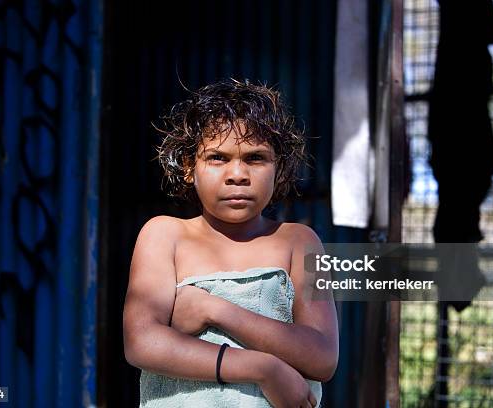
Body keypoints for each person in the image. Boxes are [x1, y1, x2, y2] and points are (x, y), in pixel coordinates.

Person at [123, 78, 339, 408]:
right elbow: (141, 342)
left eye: (255, 158)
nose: (237, 174)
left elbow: (323, 356)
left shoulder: (300, 242)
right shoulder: (165, 235)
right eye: (217, 158)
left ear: (279, 170)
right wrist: (262, 369)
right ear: (188, 168)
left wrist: (216, 310)